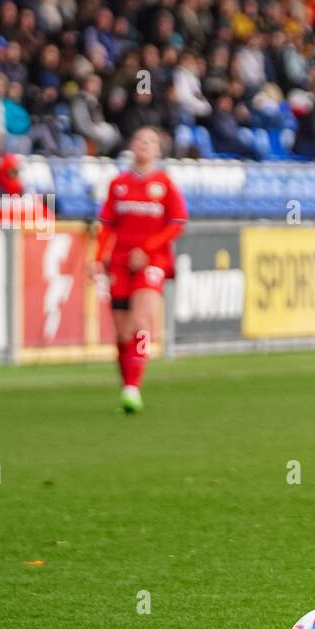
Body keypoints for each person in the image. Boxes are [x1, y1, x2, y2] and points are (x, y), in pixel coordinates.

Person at [91, 127, 188, 414]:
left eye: (150, 141)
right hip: (120, 262)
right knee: (122, 331)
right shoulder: (118, 184)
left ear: (158, 151)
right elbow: (107, 224)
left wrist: (146, 250)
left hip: (152, 262)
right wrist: (97, 258)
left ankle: (134, 385)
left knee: (141, 322)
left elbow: (177, 222)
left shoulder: (165, 184)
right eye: (139, 140)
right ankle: (127, 384)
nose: (144, 145)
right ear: (131, 146)